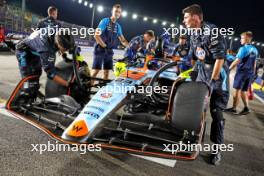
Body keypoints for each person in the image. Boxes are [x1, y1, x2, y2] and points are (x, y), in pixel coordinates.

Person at [182, 4, 229, 165]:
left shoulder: (212, 31)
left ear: (196, 17)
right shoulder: (192, 32)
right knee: (197, 108)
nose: (184, 20)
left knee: (217, 114)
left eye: (186, 17)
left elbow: (220, 59)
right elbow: (195, 56)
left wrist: (212, 82)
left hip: (218, 76)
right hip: (202, 72)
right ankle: (194, 137)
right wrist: (189, 73)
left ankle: (217, 149)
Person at [15, 30, 75, 104]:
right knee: (28, 78)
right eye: (65, 49)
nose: (66, 51)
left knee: (37, 73)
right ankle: (21, 100)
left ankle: (33, 91)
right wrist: (67, 84)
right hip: (23, 52)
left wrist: (64, 55)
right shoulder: (47, 50)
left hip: (34, 50)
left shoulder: (57, 33)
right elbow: (51, 75)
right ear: (59, 43)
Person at [92, 4, 128, 80]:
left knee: (106, 72)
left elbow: (123, 40)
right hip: (100, 49)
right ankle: (87, 88)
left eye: (119, 12)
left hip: (109, 51)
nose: (117, 13)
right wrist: (104, 46)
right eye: (116, 11)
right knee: (96, 71)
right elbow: (96, 35)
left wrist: (130, 46)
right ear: (112, 11)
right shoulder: (105, 21)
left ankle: (103, 90)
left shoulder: (118, 26)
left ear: (120, 14)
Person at [226, 31, 258, 115]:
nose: (241, 40)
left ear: (247, 39)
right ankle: (246, 108)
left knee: (237, 91)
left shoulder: (243, 48)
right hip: (249, 73)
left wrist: (229, 69)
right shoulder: (255, 49)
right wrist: (253, 74)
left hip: (242, 73)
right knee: (244, 91)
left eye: (242, 38)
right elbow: (254, 63)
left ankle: (234, 108)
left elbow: (237, 61)